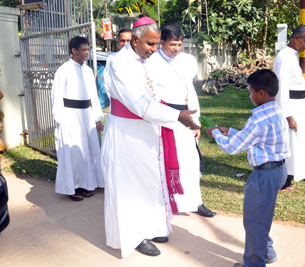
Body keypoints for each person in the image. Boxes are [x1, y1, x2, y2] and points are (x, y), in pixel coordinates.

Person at [101, 17, 200, 258]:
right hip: (127, 132)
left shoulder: (142, 59)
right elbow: (138, 103)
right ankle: (135, 234)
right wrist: (176, 116)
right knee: (130, 186)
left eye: (156, 45)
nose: (154, 50)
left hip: (147, 130)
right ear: (135, 40)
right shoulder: (119, 63)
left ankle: (152, 227)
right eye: (150, 44)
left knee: (151, 180)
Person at [206, 69, 290, 267]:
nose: (250, 96)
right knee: (263, 215)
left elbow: (232, 147)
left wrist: (216, 134)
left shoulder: (257, 119)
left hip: (263, 175)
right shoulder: (277, 111)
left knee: (254, 222)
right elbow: (257, 138)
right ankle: (267, 252)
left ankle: (254, 264)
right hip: (279, 171)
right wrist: (232, 131)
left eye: (250, 91)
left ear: (260, 92)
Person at [148, 25, 216, 217]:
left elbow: (190, 91)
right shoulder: (152, 61)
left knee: (191, 161)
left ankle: (195, 201)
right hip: (165, 116)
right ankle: (167, 202)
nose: (176, 48)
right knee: (166, 161)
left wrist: (196, 120)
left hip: (187, 118)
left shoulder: (187, 60)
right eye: (172, 44)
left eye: (179, 44)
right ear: (162, 43)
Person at [51, 36, 104, 201]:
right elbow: (57, 95)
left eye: (88, 49)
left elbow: (93, 96)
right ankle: (72, 187)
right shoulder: (64, 70)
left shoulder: (88, 70)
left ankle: (87, 184)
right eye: (84, 49)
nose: (87, 52)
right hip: (70, 116)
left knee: (89, 151)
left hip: (87, 115)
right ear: (73, 51)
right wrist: (61, 119)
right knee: (73, 153)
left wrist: (97, 117)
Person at [273, 25, 305, 191]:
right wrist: (287, 115)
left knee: (303, 137)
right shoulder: (284, 57)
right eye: (304, 41)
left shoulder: (292, 55)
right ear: (296, 38)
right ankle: (286, 180)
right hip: (290, 104)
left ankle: (304, 170)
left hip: (299, 104)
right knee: (291, 141)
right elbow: (281, 87)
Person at [103, 28, 132, 99]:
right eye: (122, 41)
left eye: (128, 40)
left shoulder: (140, 58)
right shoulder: (111, 58)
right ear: (118, 41)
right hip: (118, 102)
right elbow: (107, 82)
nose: (125, 44)